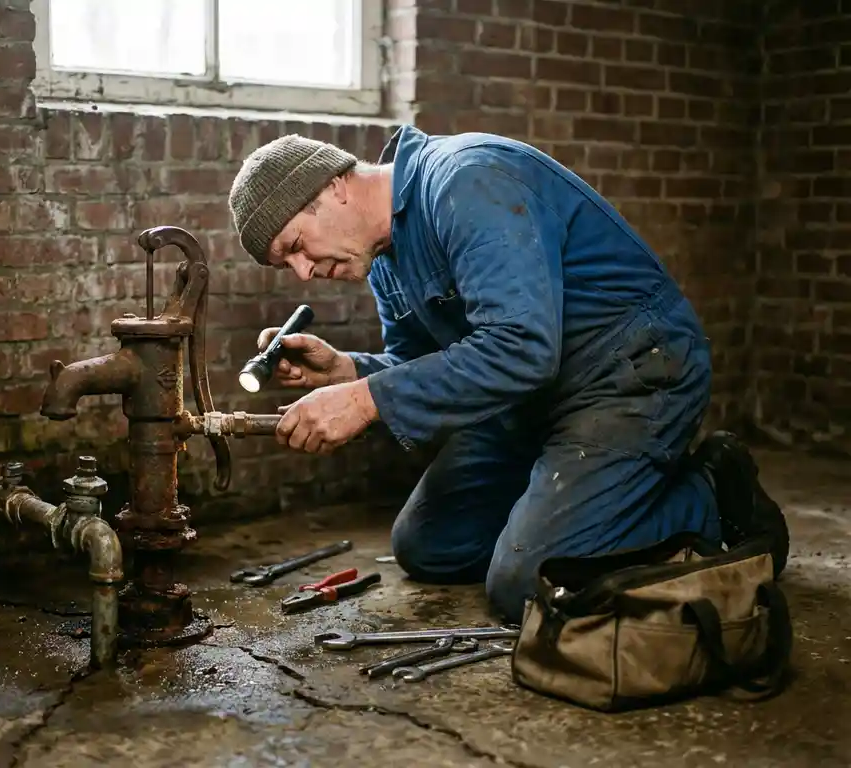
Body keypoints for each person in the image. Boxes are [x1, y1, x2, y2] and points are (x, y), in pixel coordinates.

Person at [226, 125, 789, 625]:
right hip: (529, 398)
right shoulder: (384, 257)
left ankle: (710, 493)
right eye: (286, 265)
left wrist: (364, 400)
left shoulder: (468, 181)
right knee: (428, 547)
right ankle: (574, 503)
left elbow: (520, 347)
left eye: (296, 247)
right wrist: (348, 371)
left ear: (333, 187)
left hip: (630, 373)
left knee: (528, 583)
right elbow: (421, 369)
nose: (303, 273)